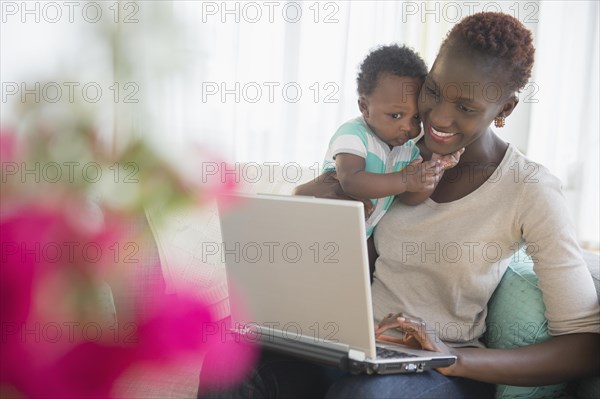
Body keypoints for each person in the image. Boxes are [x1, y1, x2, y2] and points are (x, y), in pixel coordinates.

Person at [198, 12, 600, 399]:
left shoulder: (529, 188)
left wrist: (453, 357)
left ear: (505, 110)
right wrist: (320, 200)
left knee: (365, 394)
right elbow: (339, 246)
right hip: (355, 346)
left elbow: (584, 345)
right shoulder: (389, 151)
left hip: (443, 369)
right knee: (230, 358)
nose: (438, 118)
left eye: (466, 108)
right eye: (435, 92)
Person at [321, 44, 464, 237]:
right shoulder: (354, 134)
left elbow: (409, 198)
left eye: (416, 118)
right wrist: (405, 180)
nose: (407, 126)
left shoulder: (408, 150)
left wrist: (435, 168)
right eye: (396, 115)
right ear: (365, 107)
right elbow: (350, 180)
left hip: (357, 238)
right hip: (320, 228)